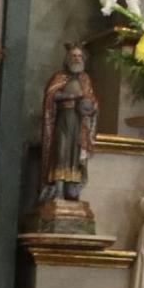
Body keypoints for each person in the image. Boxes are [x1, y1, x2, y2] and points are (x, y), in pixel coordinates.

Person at [39, 44, 98, 205]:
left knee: (75, 154)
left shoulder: (85, 79)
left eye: (79, 56)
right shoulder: (59, 77)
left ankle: (71, 190)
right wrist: (69, 95)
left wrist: (90, 106)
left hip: (79, 123)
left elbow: (92, 99)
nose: (77, 59)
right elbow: (51, 95)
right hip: (63, 120)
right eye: (73, 56)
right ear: (67, 59)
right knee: (61, 152)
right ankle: (57, 190)